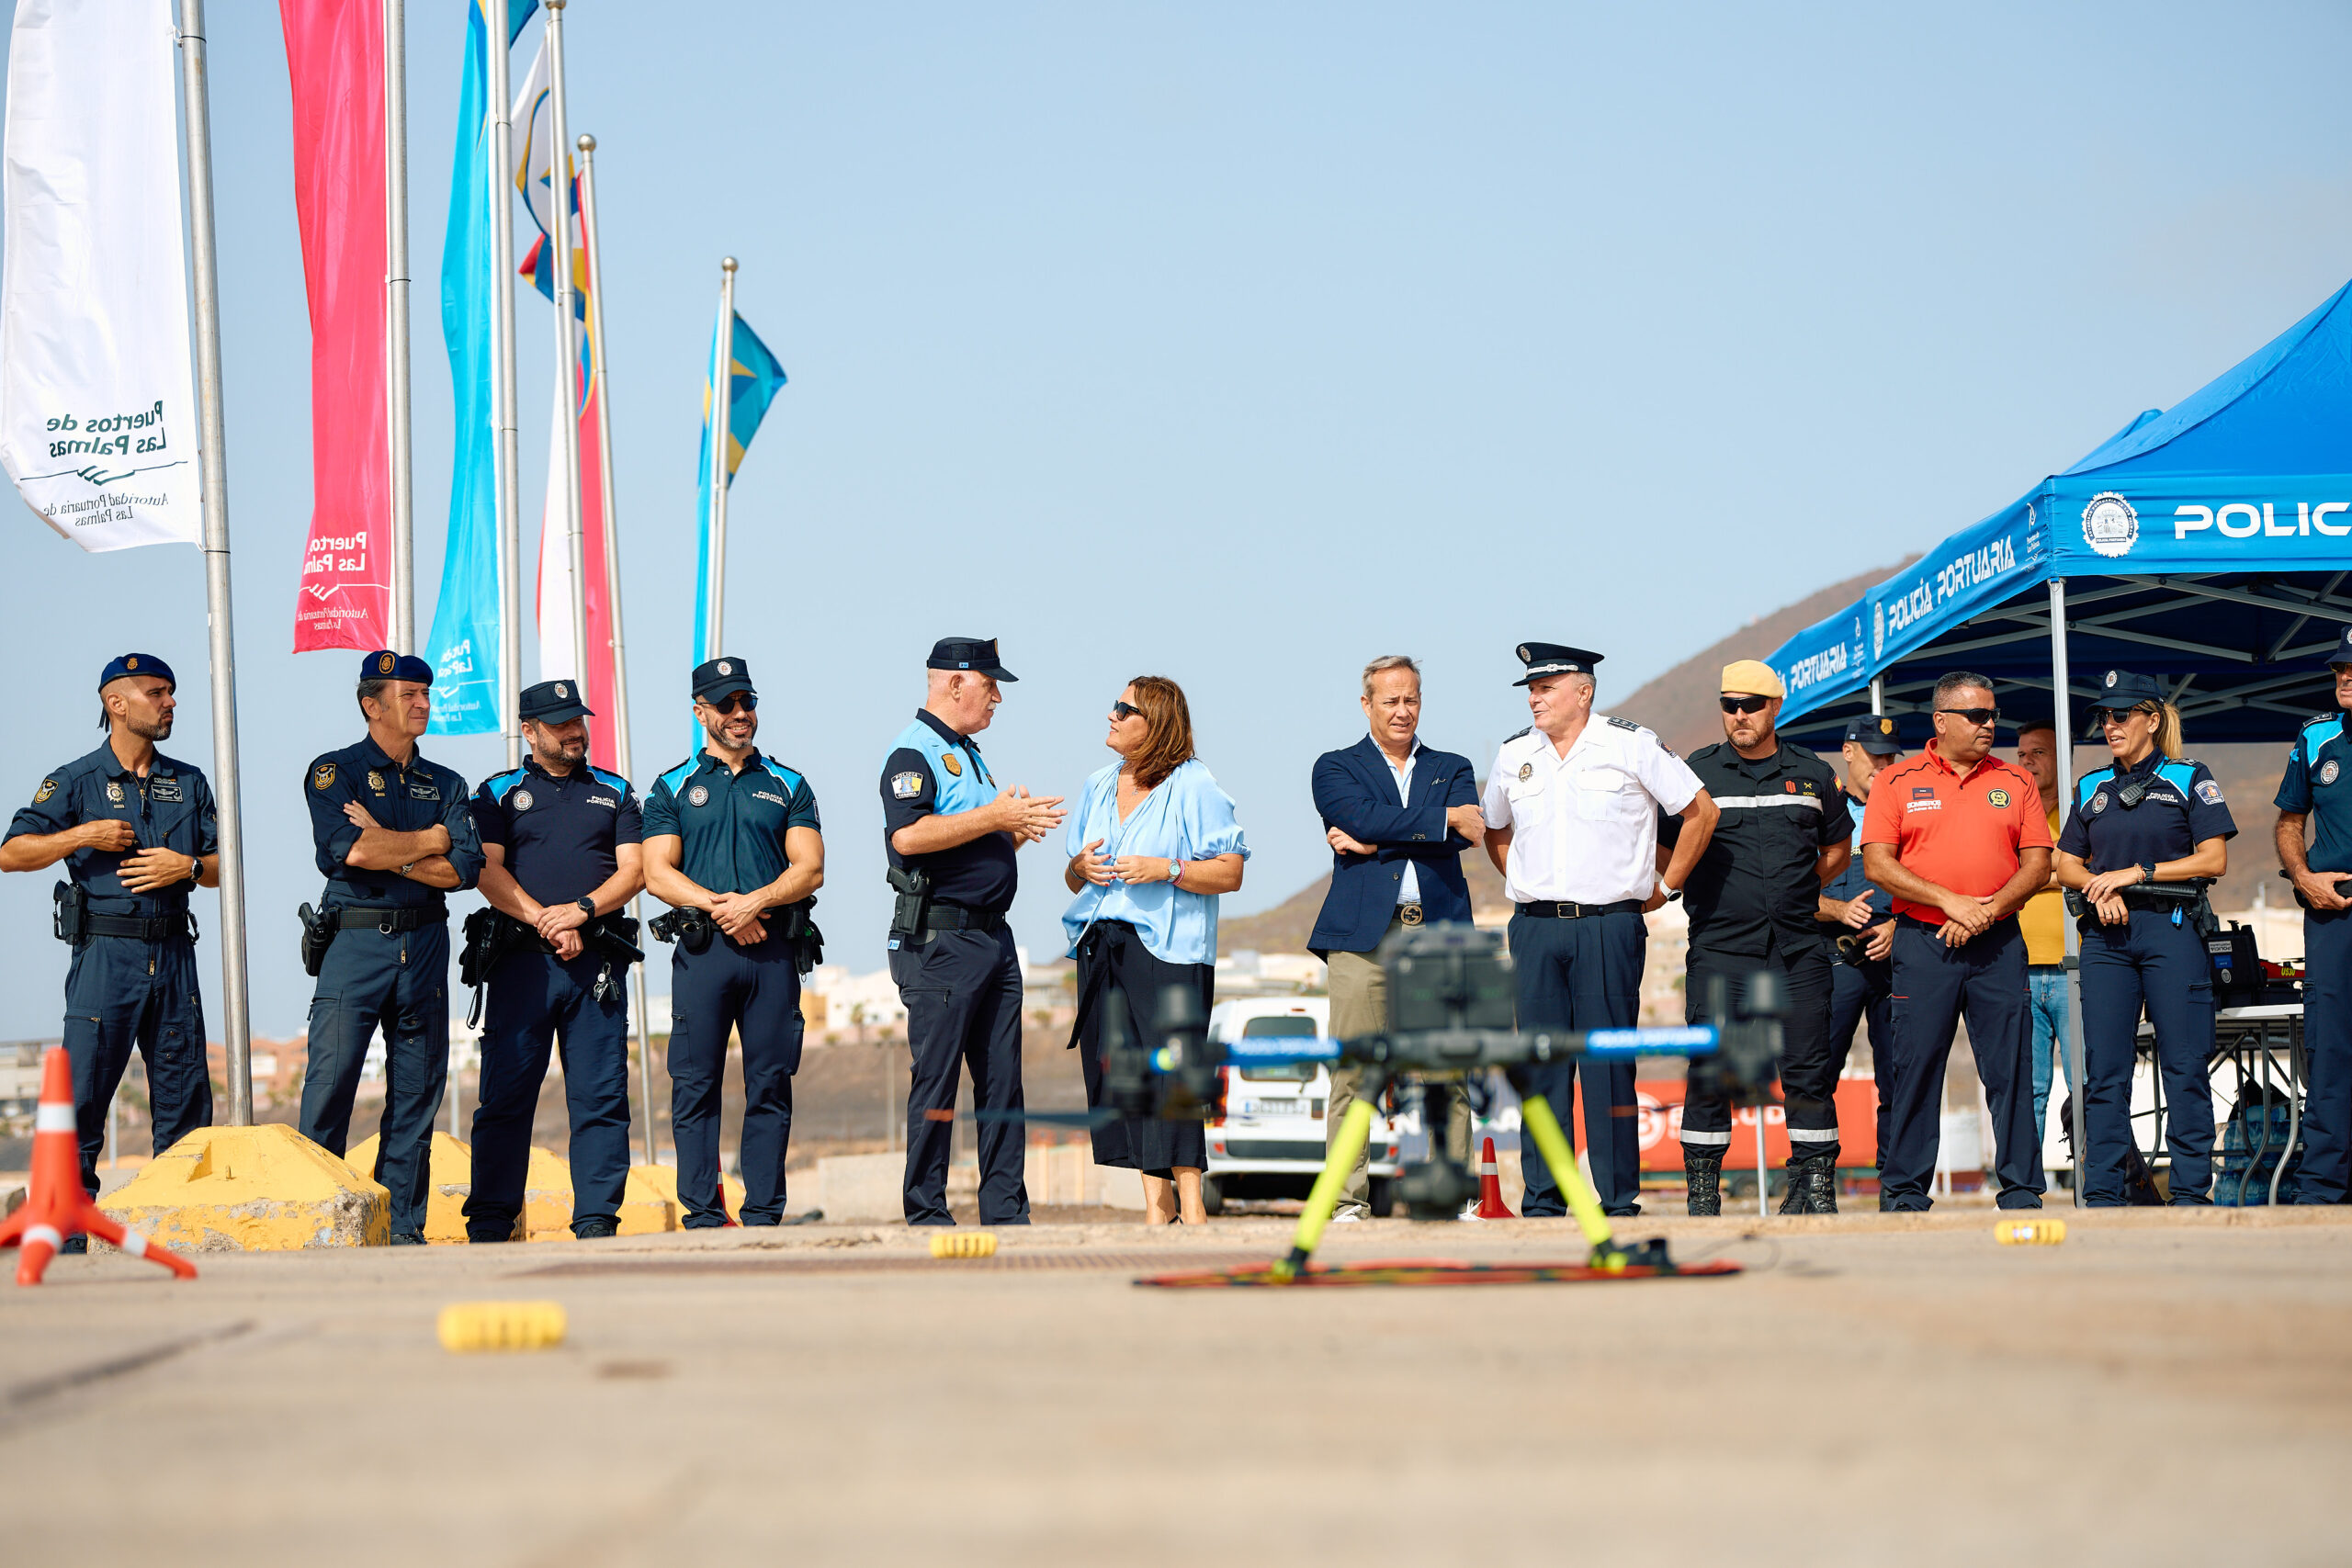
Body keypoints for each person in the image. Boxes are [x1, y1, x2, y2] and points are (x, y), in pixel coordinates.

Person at [1482, 643, 1716, 1218]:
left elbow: (1700, 812)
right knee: (1540, 1064)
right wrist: (1523, 877)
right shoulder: (1514, 754)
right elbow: (1493, 828)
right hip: (1534, 928)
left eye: (1546, 688)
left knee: (1608, 1064)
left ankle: (1616, 1200)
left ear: (1583, 692)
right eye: (1531, 690)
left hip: (1609, 926)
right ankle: (1544, 1198)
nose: (1534, 698)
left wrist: (1669, 888)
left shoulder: (1630, 743)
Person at [2, 655, 219, 1242]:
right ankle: (68, 1239)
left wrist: (190, 865)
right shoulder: (75, 781)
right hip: (105, 957)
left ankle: (183, 1231)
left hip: (174, 955)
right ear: (116, 704)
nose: (170, 702)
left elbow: (224, 866)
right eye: (157, 693)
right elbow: (11, 851)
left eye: (172, 693)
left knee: (184, 1103)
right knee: (81, 1104)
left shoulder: (190, 780)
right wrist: (82, 834)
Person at [300, 650, 485, 1246]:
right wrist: (427, 839)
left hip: (425, 942)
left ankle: (402, 1227)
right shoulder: (335, 773)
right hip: (355, 941)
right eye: (409, 695)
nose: (424, 704)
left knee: (417, 1093)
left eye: (425, 694)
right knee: (331, 1086)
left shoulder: (449, 784)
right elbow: (346, 852)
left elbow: (463, 868)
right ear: (371, 704)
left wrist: (388, 842)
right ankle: (321, 1221)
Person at [882, 638, 1064, 1227]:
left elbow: (971, 835)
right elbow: (907, 837)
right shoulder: (914, 755)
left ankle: (1006, 1212)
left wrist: (1014, 828)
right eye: (991, 684)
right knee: (937, 1082)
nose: (997, 697)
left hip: (992, 940)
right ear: (955, 683)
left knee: (1003, 1084)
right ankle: (926, 1210)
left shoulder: (970, 753)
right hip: (943, 941)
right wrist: (995, 817)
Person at [462, 680, 647, 1242]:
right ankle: (492, 1222)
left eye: (578, 721)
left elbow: (634, 870)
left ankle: (596, 1221)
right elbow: (486, 872)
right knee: (505, 1098)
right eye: (561, 723)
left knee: (601, 1099)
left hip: (595, 968)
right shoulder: (496, 792)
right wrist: (547, 919)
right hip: (521, 967)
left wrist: (581, 914)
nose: (575, 732)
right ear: (529, 731)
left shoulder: (615, 791)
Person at [1859, 671, 2050, 1212]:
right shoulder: (1896, 781)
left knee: (2010, 1070)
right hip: (1923, 942)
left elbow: (2036, 866)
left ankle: (2020, 1189)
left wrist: (1984, 911)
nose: (1990, 725)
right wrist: (1950, 902)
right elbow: (1878, 864)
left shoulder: (2016, 782)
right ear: (1941, 721)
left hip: (1998, 942)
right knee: (1916, 1068)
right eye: (1977, 716)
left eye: (1993, 714)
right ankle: (1904, 1193)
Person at [643, 657, 824, 1228]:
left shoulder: (787, 784)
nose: (741, 714)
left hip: (772, 954)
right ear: (701, 713)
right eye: (727, 705)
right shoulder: (671, 786)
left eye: (747, 702)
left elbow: (811, 868)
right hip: (704, 955)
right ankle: (701, 1215)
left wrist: (757, 901)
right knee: (695, 1086)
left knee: (770, 1083)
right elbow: (656, 873)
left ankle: (765, 1213)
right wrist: (724, 908)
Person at [1063, 676, 1248, 1225]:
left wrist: (1164, 870)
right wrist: (1080, 868)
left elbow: (1231, 872)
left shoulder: (1195, 785)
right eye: (1115, 705)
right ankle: (1155, 1207)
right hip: (1101, 942)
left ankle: (1192, 1207)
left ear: (1157, 723)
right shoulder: (1097, 784)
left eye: (1125, 708)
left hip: (1170, 950)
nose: (1112, 714)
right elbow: (1073, 876)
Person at [1668, 660, 1851, 1215]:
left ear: (1776, 707)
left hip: (1797, 949)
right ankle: (1703, 1198)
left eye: (1751, 705)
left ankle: (1816, 1192)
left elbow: (1837, 849)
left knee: (1809, 1073)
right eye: (1730, 705)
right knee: (1710, 1075)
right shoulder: (1694, 775)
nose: (1739, 715)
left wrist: (1798, 891)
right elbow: (1665, 849)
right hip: (1721, 952)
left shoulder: (1813, 773)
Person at [1305, 656, 1482, 1221]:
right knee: (1354, 1074)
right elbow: (1356, 814)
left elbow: (1469, 832)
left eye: (1411, 700)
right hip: (1362, 940)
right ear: (1367, 704)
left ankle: (1452, 1199)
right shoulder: (1335, 767)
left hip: (1439, 936)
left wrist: (1373, 841)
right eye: (1391, 701)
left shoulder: (1452, 765)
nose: (1403, 711)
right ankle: (1346, 1203)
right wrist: (1438, 821)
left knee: (1446, 1074)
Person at [2052, 670, 2233, 1207]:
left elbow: (2214, 859)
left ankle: (2190, 1196)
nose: (2110, 725)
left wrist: (2135, 873)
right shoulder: (2092, 786)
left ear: (2151, 720)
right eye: (2104, 716)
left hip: (2170, 930)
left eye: (2122, 715)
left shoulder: (2188, 776)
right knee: (2105, 1072)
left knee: (2183, 1065)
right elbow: (2065, 863)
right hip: (2106, 939)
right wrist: (2096, 887)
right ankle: (2104, 1197)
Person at [2276, 625, 2352, 1205]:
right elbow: (2288, 821)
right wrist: (2302, 877)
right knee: (2330, 1048)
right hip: (2333, 912)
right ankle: (2324, 1186)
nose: (2344, 677)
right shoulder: (2315, 737)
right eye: (2338, 669)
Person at [1818, 715, 1903, 1171]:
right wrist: (1837, 911)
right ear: (1848, 752)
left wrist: (1898, 925)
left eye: (1890, 757)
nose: (1883, 765)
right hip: (1834, 957)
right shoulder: (1820, 813)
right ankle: (1816, 1182)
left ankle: (1898, 1189)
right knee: (1819, 1076)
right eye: (1874, 756)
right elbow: (1790, 894)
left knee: (1899, 1078)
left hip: (1897, 956)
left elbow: (1930, 882)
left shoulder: (1909, 809)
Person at [2014, 718, 2073, 1147]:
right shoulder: (2011, 814)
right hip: (2019, 970)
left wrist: (2033, 872)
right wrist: (2057, 869)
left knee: (2088, 1087)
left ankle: (2099, 1188)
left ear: (2062, 757)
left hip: (2076, 969)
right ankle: (2025, 1188)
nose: (2027, 762)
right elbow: (1998, 876)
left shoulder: (2082, 808)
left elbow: (2091, 872)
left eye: (2039, 753)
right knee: (2028, 1090)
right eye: (2021, 754)